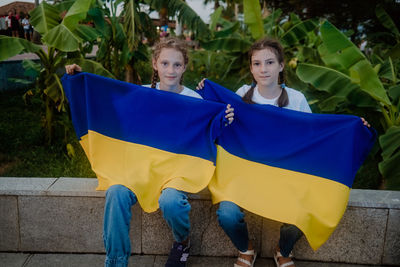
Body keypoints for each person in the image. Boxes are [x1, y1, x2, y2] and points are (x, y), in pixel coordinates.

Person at [196, 38, 370, 267]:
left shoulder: (296, 99)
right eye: (257, 63)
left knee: (306, 212)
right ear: (250, 68)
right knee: (226, 214)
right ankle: (246, 249)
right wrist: (205, 93)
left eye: (269, 62)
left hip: (284, 177)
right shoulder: (241, 94)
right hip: (245, 175)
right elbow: (216, 124)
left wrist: (353, 129)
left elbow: (315, 136)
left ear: (281, 65)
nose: (263, 69)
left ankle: (283, 249)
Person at [65, 37, 234, 267]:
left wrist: (223, 121)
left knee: (172, 201)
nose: (171, 70)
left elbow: (206, 133)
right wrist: (79, 81)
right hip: (140, 169)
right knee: (115, 192)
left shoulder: (195, 101)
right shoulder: (140, 94)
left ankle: (182, 242)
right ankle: (115, 262)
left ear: (184, 66)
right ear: (155, 64)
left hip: (176, 172)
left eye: (176, 64)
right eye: (165, 63)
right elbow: (107, 105)